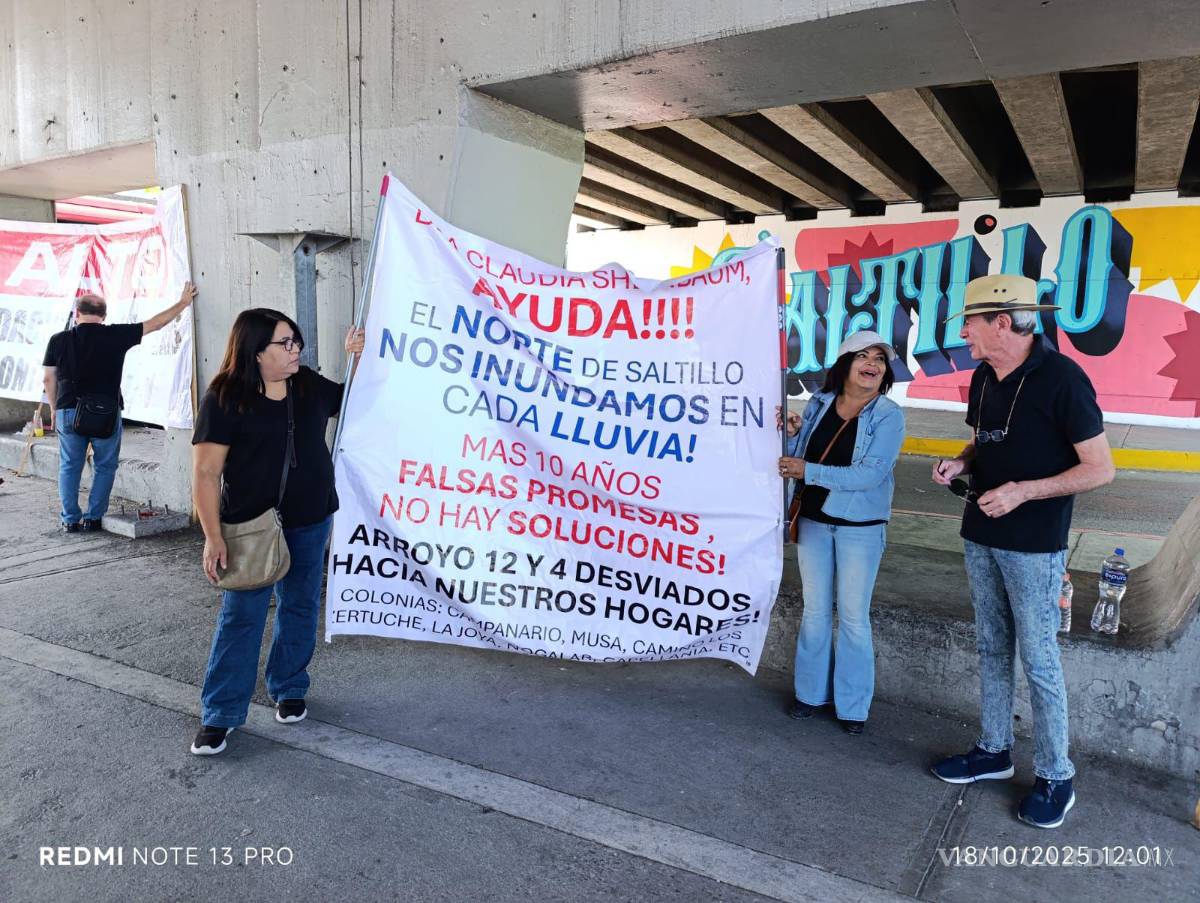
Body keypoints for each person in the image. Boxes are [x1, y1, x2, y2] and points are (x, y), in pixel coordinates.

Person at [929, 274, 1114, 829]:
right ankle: (994, 750)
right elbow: (983, 440)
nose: (963, 334)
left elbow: (1101, 469)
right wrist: (962, 463)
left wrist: (1023, 491)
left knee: (1038, 658)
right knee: (990, 646)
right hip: (980, 534)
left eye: (970, 324)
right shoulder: (984, 376)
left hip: (1034, 546)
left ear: (1001, 324)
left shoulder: (1063, 379)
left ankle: (1057, 774)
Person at [189, 309, 365, 756]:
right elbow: (206, 474)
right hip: (248, 527)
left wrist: (356, 357)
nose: (295, 350)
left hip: (310, 518)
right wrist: (213, 536)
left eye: (296, 341)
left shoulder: (306, 385)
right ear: (256, 351)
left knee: (301, 606)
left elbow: (351, 398)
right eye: (284, 344)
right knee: (241, 617)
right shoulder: (225, 398)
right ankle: (220, 713)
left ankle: (288, 686)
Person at [777, 330, 905, 735]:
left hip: (860, 529)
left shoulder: (887, 415)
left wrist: (808, 471)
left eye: (880, 359)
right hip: (814, 519)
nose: (872, 364)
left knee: (852, 617)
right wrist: (795, 433)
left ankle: (853, 708)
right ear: (845, 363)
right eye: (863, 356)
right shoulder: (820, 403)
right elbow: (799, 457)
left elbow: (870, 474)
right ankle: (809, 694)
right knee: (815, 611)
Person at [42, 283, 197, 532]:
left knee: (69, 466)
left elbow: (49, 378)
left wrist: (54, 409)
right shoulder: (115, 334)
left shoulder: (58, 340)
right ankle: (94, 518)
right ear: (104, 316)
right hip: (105, 412)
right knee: (105, 465)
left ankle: (70, 520)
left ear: (77, 313)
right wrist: (182, 303)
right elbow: (154, 324)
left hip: (67, 410)